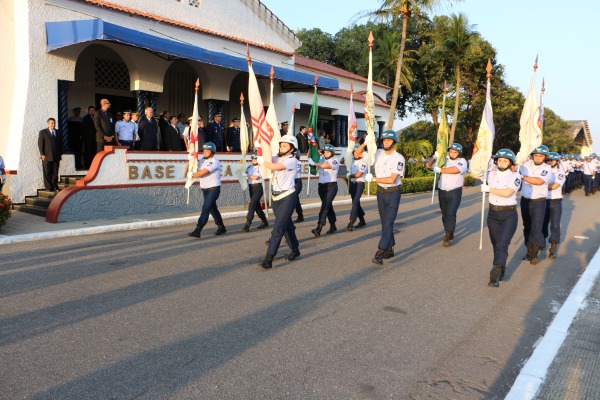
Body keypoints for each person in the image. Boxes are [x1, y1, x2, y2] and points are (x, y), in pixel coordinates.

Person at [480, 149, 522, 287]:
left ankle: (495, 274)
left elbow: (507, 193)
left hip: (508, 215)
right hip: (493, 214)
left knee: (502, 244)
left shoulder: (515, 176)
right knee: (496, 244)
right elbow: (475, 172)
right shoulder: (490, 173)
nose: (502, 162)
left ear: (510, 162)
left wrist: (489, 189)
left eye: (505, 160)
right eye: (499, 160)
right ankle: (501, 266)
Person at [259, 135, 301, 269]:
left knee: (278, 227)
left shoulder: (292, 160)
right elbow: (267, 156)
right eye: (281, 145)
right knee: (286, 225)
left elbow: (272, 166)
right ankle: (295, 249)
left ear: (292, 148)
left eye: (285, 145)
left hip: (287, 197)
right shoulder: (278, 158)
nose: (281, 147)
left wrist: (264, 162)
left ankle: (269, 257)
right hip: (275, 198)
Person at [365, 130, 405, 265]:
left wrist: (374, 179)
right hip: (381, 192)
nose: (386, 142)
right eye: (384, 140)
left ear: (393, 142)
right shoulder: (377, 154)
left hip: (393, 193)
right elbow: (357, 154)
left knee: (388, 222)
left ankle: (381, 251)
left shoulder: (399, 158)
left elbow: (392, 179)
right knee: (384, 222)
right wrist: (366, 142)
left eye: (389, 140)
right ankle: (390, 247)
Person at [427, 143, 468, 246]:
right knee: (445, 214)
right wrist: (435, 157)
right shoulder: (443, 160)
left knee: (451, 212)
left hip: (455, 191)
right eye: (451, 151)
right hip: (442, 191)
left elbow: (456, 170)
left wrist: (441, 170)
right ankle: (449, 231)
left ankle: (447, 235)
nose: (452, 154)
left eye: (455, 152)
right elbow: (428, 165)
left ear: (459, 153)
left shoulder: (462, 162)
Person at [519, 144, 552, 265]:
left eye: (541, 156)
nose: (538, 158)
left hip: (539, 202)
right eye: (536, 155)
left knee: (536, 227)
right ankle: (529, 250)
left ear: (545, 157)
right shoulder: (525, 165)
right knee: (527, 227)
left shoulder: (547, 169)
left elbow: (539, 181)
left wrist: (523, 176)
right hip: (525, 201)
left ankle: (535, 253)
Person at [188, 142, 227, 238]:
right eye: (204, 150)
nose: (204, 152)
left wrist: (192, 175)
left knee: (205, 208)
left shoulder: (214, 162)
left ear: (212, 152)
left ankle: (198, 229)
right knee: (212, 209)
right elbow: (194, 164)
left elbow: (203, 172)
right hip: (205, 189)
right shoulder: (202, 160)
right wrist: (191, 157)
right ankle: (221, 226)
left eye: (207, 151)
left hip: (213, 189)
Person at [310, 143, 339, 237]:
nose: (326, 153)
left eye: (328, 152)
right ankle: (333, 225)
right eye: (325, 152)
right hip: (321, 186)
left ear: (332, 153)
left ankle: (319, 227)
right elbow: (318, 165)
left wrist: (314, 163)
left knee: (324, 206)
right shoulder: (321, 159)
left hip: (331, 186)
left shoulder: (334, 160)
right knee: (328, 206)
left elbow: (327, 166)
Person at [543, 152, 566, 259]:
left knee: (555, 225)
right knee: (542, 225)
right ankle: (540, 242)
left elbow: (554, 186)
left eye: (552, 160)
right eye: (548, 160)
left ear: (557, 162)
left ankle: (553, 246)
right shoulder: (541, 171)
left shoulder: (560, 172)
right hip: (542, 201)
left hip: (555, 202)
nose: (549, 162)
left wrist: (538, 184)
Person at [242, 153, 269, 232]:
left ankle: (247, 224)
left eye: (255, 158)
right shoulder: (250, 167)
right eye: (252, 158)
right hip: (251, 187)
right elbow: (242, 173)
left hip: (258, 187)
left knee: (252, 205)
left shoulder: (260, 167)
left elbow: (255, 177)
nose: (253, 160)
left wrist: (247, 175)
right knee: (257, 207)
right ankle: (264, 221)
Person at [347, 142, 368, 231]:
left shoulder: (364, 162)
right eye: (354, 152)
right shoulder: (352, 160)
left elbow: (358, 174)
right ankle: (362, 220)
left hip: (359, 183)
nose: (355, 154)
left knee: (355, 202)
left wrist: (349, 175)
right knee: (356, 203)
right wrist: (347, 154)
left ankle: (351, 222)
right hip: (352, 184)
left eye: (356, 152)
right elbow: (342, 161)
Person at [38, 118, 63, 191]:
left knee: (55, 172)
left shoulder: (58, 132)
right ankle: (48, 187)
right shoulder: (43, 132)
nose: (53, 124)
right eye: (52, 123)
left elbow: (61, 143)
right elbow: (40, 144)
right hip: (47, 156)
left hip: (56, 155)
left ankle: (54, 185)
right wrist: (42, 154)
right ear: (48, 124)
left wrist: (60, 153)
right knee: (47, 172)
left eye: (54, 123)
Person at [293, 149, 304, 222]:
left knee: (293, 197)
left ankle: (300, 215)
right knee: (296, 200)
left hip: (297, 182)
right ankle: (300, 215)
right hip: (291, 182)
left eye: (293, 154)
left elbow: (296, 170)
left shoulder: (299, 162)